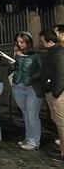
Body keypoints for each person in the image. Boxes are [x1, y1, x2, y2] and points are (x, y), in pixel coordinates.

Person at [11, 31, 43, 150]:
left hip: (32, 87)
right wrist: (13, 60)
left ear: (28, 42)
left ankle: (34, 141)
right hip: (18, 85)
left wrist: (32, 77)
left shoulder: (36, 55)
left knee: (32, 114)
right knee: (25, 113)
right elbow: (13, 68)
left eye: (22, 42)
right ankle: (28, 137)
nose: (20, 44)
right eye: (18, 42)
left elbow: (42, 70)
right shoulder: (17, 53)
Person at [40, 27, 64, 162]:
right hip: (52, 91)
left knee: (62, 123)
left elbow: (61, 74)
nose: (41, 43)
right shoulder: (53, 52)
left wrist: (56, 93)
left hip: (57, 94)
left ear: (49, 41)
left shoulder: (58, 53)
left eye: (42, 40)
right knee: (59, 122)